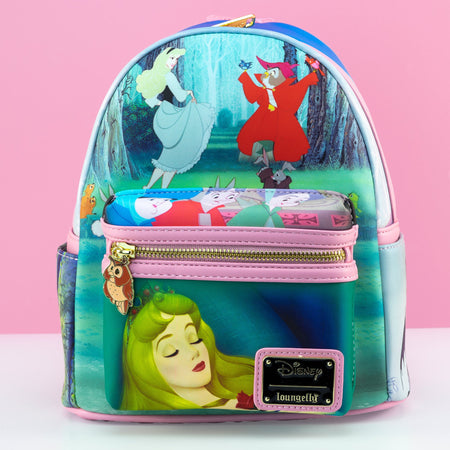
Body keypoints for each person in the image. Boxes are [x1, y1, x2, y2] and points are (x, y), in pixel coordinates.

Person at [121, 289, 255, 410]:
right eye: (172, 352)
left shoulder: (249, 387)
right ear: (146, 368)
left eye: (194, 339)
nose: (193, 352)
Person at [136, 47, 215, 189]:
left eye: (176, 59)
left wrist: (160, 104)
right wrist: (188, 93)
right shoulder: (168, 76)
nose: (174, 62)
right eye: (172, 58)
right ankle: (154, 187)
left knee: (171, 155)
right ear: (163, 58)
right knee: (172, 154)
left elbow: (149, 99)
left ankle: (156, 187)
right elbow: (179, 96)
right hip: (169, 115)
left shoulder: (155, 75)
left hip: (162, 114)